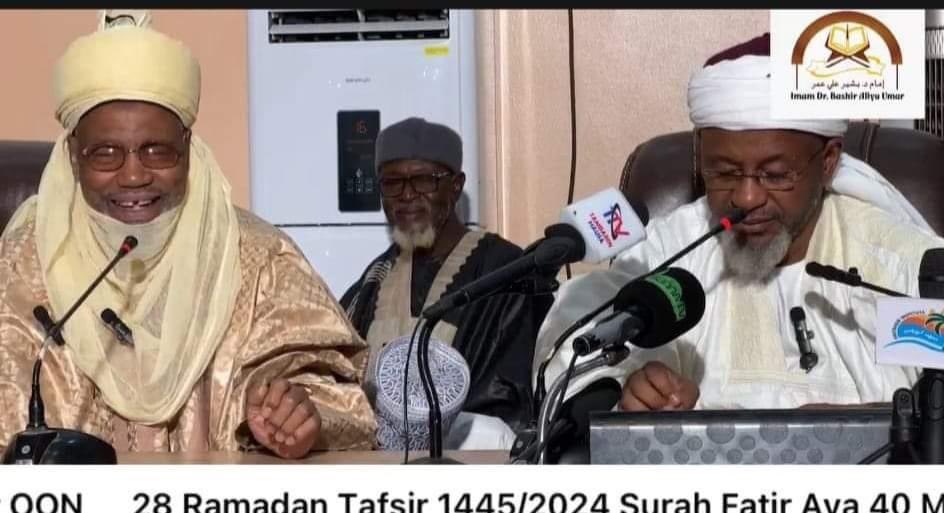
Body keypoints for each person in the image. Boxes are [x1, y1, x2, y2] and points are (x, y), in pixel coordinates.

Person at [0, 11, 376, 459]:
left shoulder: (258, 257)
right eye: (106, 154)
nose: (135, 175)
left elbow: (341, 401)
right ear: (73, 159)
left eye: (157, 151)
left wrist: (302, 417)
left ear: (189, 150)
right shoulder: (26, 260)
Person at [535, 33, 944, 411]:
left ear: (828, 163)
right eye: (726, 173)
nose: (746, 198)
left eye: (776, 174)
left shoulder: (897, 265)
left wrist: (869, 427)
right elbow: (575, 332)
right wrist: (625, 392)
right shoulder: (676, 248)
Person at [341, 117, 552, 444]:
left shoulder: (507, 271)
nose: (407, 196)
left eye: (424, 181)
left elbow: (507, 403)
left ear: (455, 185)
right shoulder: (372, 281)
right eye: (392, 183)